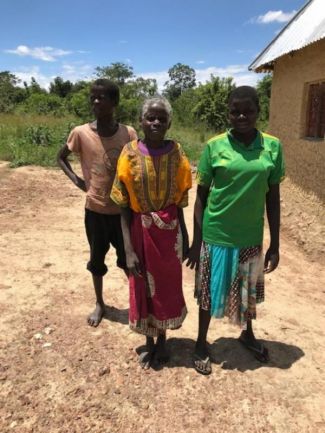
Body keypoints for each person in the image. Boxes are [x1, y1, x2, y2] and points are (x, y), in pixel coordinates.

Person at [186, 86, 285, 375]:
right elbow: (201, 197)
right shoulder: (215, 146)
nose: (241, 116)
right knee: (207, 292)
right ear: (227, 112)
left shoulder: (273, 147)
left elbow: (273, 198)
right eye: (234, 111)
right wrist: (197, 240)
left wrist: (275, 244)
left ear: (258, 111)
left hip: (250, 236)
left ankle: (247, 334)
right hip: (216, 234)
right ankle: (201, 343)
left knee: (247, 292)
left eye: (248, 110)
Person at [110, 96, 192, 369]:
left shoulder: (177, 153)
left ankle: (163, 340)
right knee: (142, 284)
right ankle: (148, 341)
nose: (156, 122)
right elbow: (122, 204)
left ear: (169, 123)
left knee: (166, 286)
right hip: (138, 231)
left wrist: (186, 236)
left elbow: (180, 200)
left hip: (169, 233)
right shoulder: (129, 152)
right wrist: (128, 250)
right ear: (141, 122)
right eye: (150, 117)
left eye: (161, 118)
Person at [57, 78, 137, 327]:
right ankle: (100, 303)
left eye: (101, 97)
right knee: (96, 261)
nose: (95, 101)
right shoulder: (81, 133)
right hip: (95, 210)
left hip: (124, 212)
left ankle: (137, 305)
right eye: (93, 96)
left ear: (114, 102)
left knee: (130, 261)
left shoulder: (129, 133)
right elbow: (61, 157)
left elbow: (136, 166)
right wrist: (78, 181)